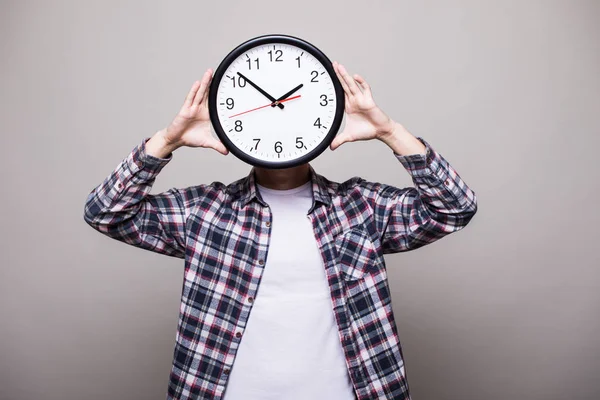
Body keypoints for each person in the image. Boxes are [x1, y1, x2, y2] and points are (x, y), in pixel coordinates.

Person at [84, 61, 478, 400]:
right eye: (264, 112)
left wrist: (389, 131)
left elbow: (455, 207)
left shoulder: (361, 207)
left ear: (321, 125)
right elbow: (105, 213)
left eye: (290, 109)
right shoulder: (204, 212)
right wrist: (167, 139)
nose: (277, 117)